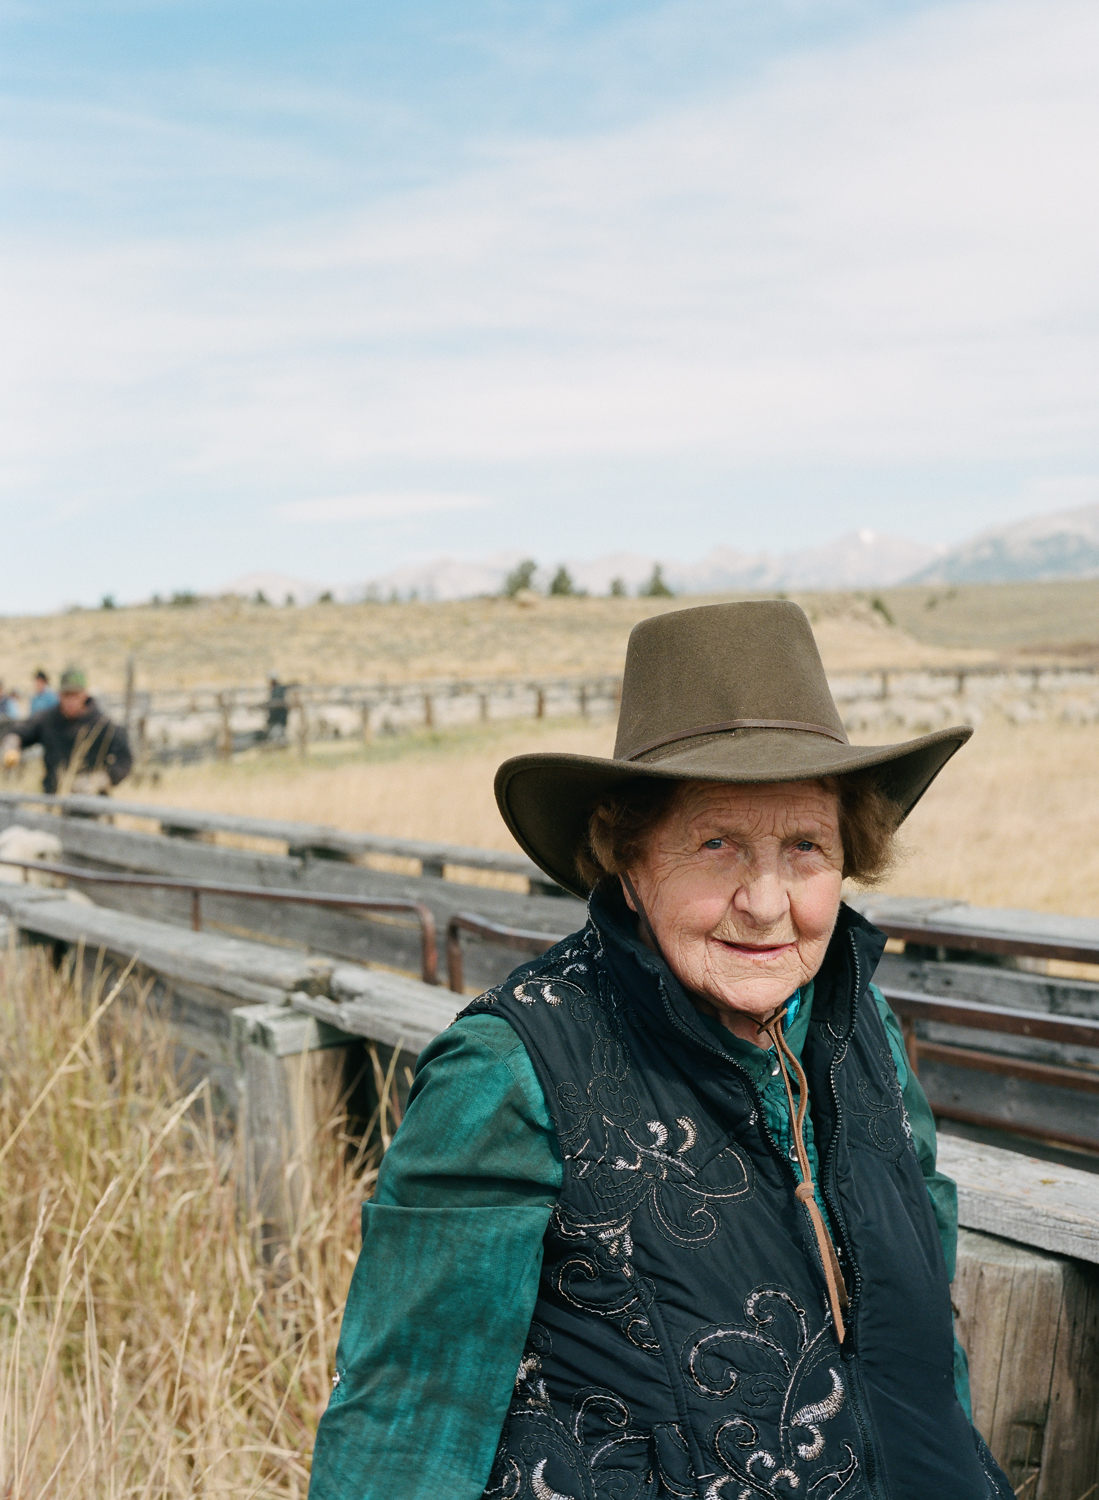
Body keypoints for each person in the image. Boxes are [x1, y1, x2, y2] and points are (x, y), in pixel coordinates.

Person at [309, 601, 1013, 1500]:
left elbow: (923, 1316)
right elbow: (409, 1413)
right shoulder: (515, 1066)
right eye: (715, 843)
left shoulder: (857, 1020)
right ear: (628, 860)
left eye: (806, 846)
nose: (766, 902)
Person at [1, 665, 132, 794]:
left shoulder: (102, 725)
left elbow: (125, 758)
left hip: (91, 803)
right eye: (66, 695)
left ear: (84, 694)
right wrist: (12, 742)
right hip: (54, 798)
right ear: (59, 695)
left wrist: (101, 779)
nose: (70, 700)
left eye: (75, 695)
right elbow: (22, 731)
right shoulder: (48, 720)